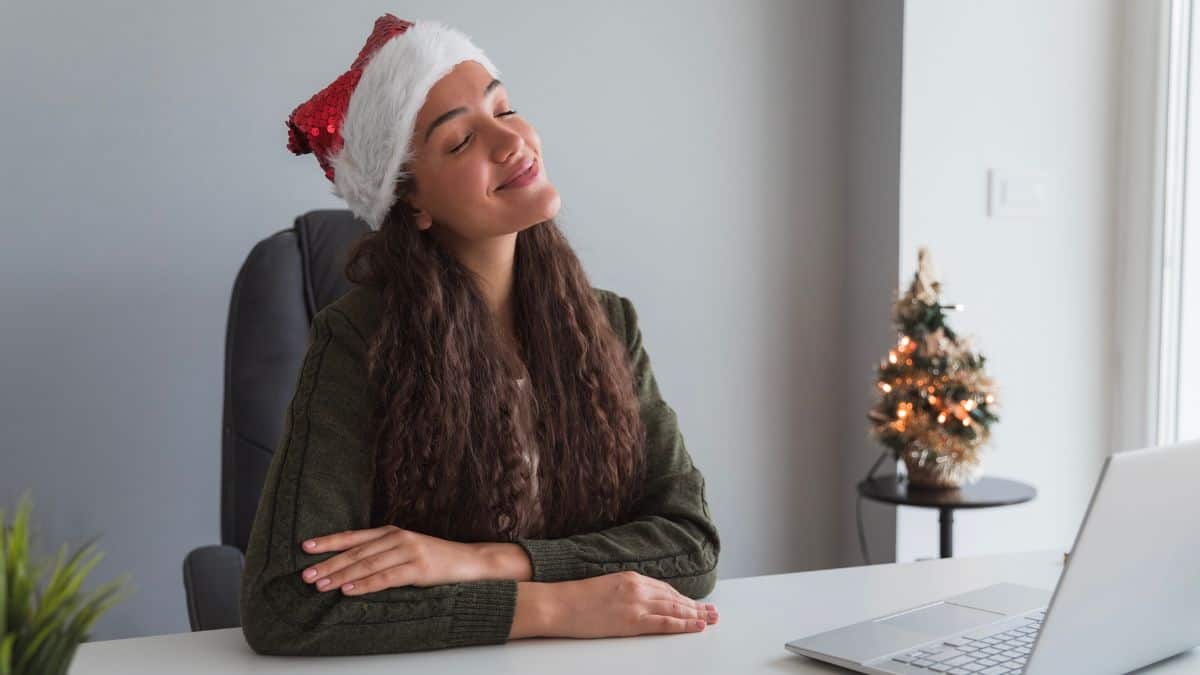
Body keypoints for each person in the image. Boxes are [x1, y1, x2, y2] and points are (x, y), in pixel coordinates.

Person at [239, 14, 721, 656]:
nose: (511, 140)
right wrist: (558, 604)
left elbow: (689, 544)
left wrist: (484, 561)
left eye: (505, 107)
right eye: (461, 141)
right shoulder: (357, 341)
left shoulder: (608, 323)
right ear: (413, 203)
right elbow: (285, 603)